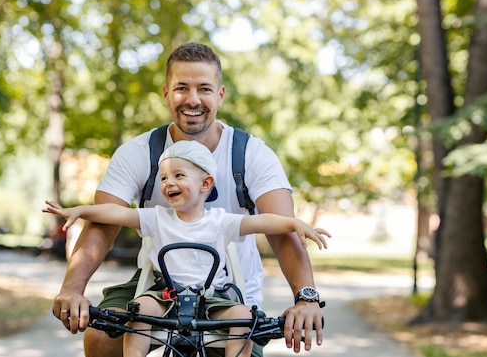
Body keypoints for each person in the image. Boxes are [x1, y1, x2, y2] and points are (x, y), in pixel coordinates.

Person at [52, 42, 326, 357]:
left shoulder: (251, 154)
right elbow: (102, 223)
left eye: (204, 89)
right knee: (100, 339)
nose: (193, 99)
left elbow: (283, 232)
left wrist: (306, 299)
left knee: (240, 344)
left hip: (230, 293)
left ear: (220, 95)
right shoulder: (139, 152)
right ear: (166, 93)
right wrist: (72, 290)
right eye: (182, 88)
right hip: (156, 285)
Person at [44, 140, 330, 357]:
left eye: (179, 176)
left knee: (243, 315)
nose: (169, 183)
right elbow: (115, 214)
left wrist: (293, 224)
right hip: (164, 293)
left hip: (212, 298)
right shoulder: (156, 217)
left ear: (206, 183)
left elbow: (261, 221)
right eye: (165, 178)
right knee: (139, 308)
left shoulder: (221, 221)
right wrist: (81, 209)